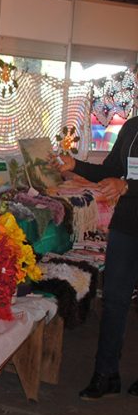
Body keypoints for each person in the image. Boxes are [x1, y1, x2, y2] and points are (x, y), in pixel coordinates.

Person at [53, 115, 138, 399]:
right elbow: (111, 170)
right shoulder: (132, 126)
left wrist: (127, 187)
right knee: (113, 300)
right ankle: (105, 374)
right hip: (126, 226)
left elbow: (124, 181)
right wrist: (75, 165)